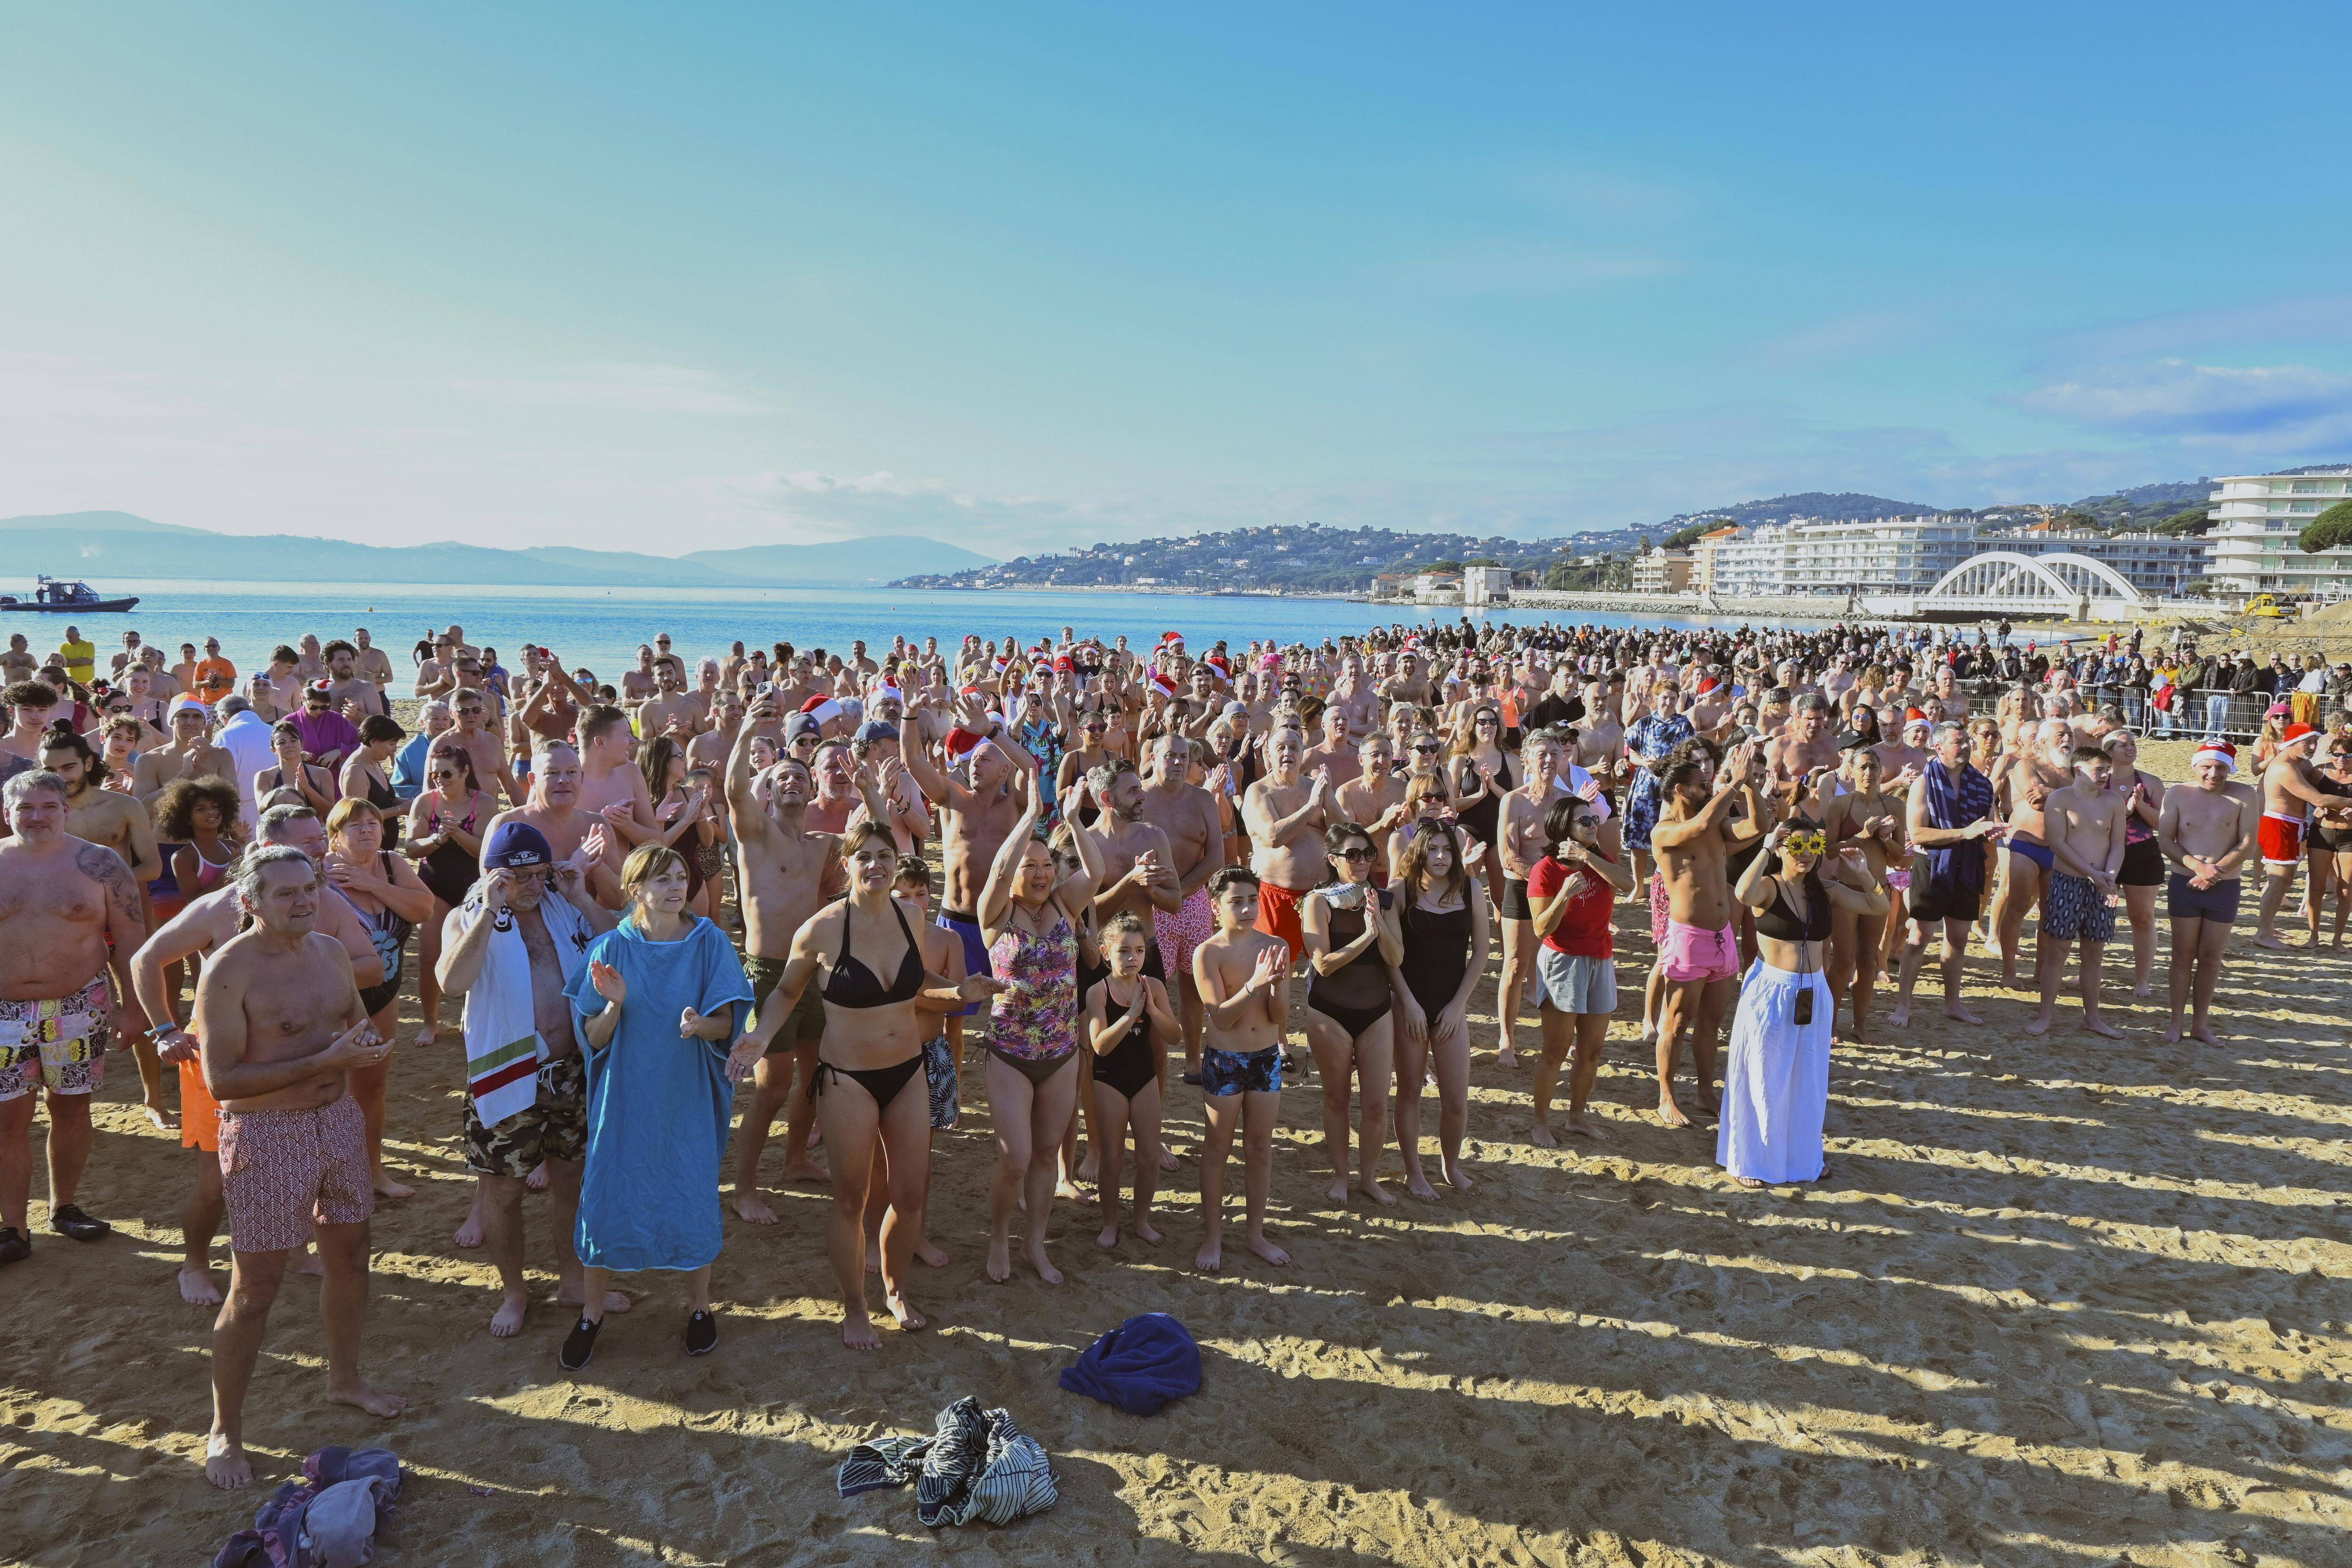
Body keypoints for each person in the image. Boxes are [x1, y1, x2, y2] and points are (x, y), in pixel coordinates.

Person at [737, 822, 1001, 1348]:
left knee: (909, 1195)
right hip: (848, 1080)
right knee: (851, 1199)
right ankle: (854, 1306)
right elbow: (786, 993)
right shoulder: (821, 930)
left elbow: (915, 980)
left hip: (906, 1073)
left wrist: (956, 991)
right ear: (847, 864)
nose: (876, 865)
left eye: (886, 855)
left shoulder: (911, 915)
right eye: (865, 857)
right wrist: (760, 1037)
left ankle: (895, 1288)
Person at [192, 845, 405, 1488]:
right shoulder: (229, 970)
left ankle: (345, 1379)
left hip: (338, 1121)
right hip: (267, 1131)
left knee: (352, 1254)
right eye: (285, 892)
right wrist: (322, 1061)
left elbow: (355, 1025)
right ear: (250, 902)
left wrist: (362, 1046)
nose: (304, 899)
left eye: (308, 887)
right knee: (255, 1287)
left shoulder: (331, 953)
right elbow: (222, 1078)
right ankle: (224, 1429)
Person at [556, 844, 752, 1369]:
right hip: (625, 1095)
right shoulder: (610, 949)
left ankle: (698, 1307)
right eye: (661, 879)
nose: (675, 887)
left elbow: (732, 1023)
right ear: (635, 889)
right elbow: (594, 1040)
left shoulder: (710, 942)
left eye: (681, 876)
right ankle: (591, 1313)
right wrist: (616, 1003)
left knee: (690, 1190)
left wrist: (699, 1025)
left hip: (687, 1090)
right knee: (607, 1196)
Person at [434, 820, 623, 1337]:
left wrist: (581, 894)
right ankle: (515, 1291)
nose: (534, 886)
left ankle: (570, 1279)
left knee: (572, 1182)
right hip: (504, 1072)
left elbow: (619, 949)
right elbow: (451, 981)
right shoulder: (467, 915)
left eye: (541, 875)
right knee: (503, 1193)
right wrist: (491, 911)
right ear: (497, 877)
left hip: (570, 1070)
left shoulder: (563, 907)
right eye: (522, 878)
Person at [0, 770, 148, 1264]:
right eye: (24, 808)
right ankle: (13, 1226)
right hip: (3, 1010)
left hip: (80, 1005)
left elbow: (130, 939)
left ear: (66, 810)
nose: (36, 817)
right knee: (8, 1119)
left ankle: (65, 1206)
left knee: (71, 1107)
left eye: (47, 806)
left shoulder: (100, 864)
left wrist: (135, 1005)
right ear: (8, 813)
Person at [976, 763, 1101, 1283]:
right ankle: (999, 1240)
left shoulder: (1064, 906)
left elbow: (1094, 874)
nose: (1042, 873)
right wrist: (1030, 814)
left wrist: (1072, 820)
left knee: (1047, 1154)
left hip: (1060, 1051)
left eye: (1048, 864)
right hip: (1009, 1050)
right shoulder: (996, 914)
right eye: (1032, 866)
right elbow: (1000, 872)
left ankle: (1035, 1245)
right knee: (1015, 1157)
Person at [1720, 823, 1887, 1188]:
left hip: (1815, 991)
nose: (1806, 853)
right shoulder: (1769, 887)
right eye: (1796, 845)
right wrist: (1765, 848)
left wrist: (1864, 873)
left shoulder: (1826, 890)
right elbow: (1744, 893)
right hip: (1771, 990)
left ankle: (1802, 1159)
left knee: (1807, 1078)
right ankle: (1751, 1159)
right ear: (1781, 848)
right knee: (1764, 1075)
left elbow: (1879, 905)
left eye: (1812, 845)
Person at [726, 700, 842, 1220]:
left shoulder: (822, 845)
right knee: (771, 1089)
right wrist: (748, 729)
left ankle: (796, 1159)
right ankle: (744, 1188)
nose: (792, 781)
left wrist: (865, 784)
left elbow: (879, 846)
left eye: (800, 775)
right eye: (782, 777)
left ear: (811, 787)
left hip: (813, 971)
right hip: (768, 975)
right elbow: (733, 791)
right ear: (768, 791)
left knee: (816, 1076)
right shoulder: (754, 833)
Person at [323, 800, 434, 1193]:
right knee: (328, 1092)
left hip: (384, 994)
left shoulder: (391, 864)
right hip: (333, 1000)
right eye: (356, 825)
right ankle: (330, 1178)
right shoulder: (322, 875)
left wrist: (373, 885)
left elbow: (424, 908)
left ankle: (373, 1173)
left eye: (374, 822)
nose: (368, 829)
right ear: (335, 836)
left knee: (372, 1089)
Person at [1649, 744, 1760, 1127]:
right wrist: (1732, 784)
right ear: (1681, 791)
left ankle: (1704, 1091)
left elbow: (1756, 827)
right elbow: (1694, 828)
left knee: (1712, 1021)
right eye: (1702, 784)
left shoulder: (1715, 825)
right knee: (1677, 1021)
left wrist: (1749, 787)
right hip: (1689, 938)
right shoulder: (1665, 832)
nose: (1710, 787)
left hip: (1721, 936)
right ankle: (1666, 1096)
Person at [1192, 866, 1292, 1272]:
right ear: (1217, 907)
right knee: (1218, 1148)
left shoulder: (1276, 945)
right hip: (1226, 1060)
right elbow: (1220, 1019)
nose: (1248, 908)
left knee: (1261, 1148)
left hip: (1266, 1058)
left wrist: (1276, 985)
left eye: (1253, 899)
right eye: (1237, 901)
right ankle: (1213, 1236)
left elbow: (1280, 1015)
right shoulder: (1208, 952)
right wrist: (1254, 983)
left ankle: (1255, 1234)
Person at [1299, 820, 1404, 1205]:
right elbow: (1323, 964)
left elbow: (1396, 958)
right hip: (1330, 1011)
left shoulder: (1383, 899)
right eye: (1353, 854)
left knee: (1377, 1104)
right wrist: (1366, 937)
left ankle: (1370, 1178)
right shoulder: (1318, 901)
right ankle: (1341, 1176)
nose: (1362, 861)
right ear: (1334, 859)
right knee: (1337, 1099)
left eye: (1368, 853)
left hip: (1376, 1010)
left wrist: (1377, 922)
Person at [1390, 822, 1490, 1192]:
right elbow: (1390, 958)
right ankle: (1413, 1171)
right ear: (1419, 852)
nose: (1441, 857)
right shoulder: (1400, 891)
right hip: (1409, 1005)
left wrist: (1458, 1006)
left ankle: (1450, 1166)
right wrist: (1409, 1004)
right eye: (1433, 850)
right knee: (1410, 1090)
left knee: (1456, 1099)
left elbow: (1481, 951)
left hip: (1451, 1007)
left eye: (1448, 849)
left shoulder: (1471, 888)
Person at [1525, 794, 1630, 1146]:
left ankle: (1577, 1117)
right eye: (1583, 821)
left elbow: (1629, 885)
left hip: (1601, 958)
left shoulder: (1599, 860)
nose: (1592, 824)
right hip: (1563, 961)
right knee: (1556, 1050)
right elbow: (1542, 928)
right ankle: (1541, 1122)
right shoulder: (1546, 870)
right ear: (1562, 828)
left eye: (1593, 820)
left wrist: (1589, 858)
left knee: (1593, 1049)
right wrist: (1564, 895)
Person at [1892, 723, 2002, 1030]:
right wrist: (1964, 833)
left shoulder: (1982, 784)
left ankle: (1953, 1004)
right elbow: (1917, 834)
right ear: (1939, 747)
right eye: (1958, 742)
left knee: (1958, 939)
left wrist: (1991, 831)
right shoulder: (1924, 783)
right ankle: (1904, 1004)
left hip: (1967, 864)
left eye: (1967, 740)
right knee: (1919, 936)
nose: (1966, 746)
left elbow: (1986, 824)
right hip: (1933, 864)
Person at [1082, 910, 1178, 1249]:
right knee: (1112, 1157)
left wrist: (1151, 1010)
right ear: (1106, 952)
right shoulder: (1098, 991)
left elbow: (1176, 1035)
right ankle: (1110, 1223)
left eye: (1138, 950)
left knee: (1149, 1156)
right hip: (1109, 1078)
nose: (1132, 957)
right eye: (1123, 950)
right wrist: (1130, 1015)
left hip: (1144, 1077)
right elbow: (1100, 1046)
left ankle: (1140, 1221)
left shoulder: (1152, 986)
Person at [1136, 728, 1227, 1076]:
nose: (1177, 762)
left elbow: (1216, 857)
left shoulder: (1203, 799)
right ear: (1154, 759)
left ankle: (1192, 1061)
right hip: (1148, 901)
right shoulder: (1139, 797)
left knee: (1194, 985)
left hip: (1193, 902)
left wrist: (1183, 892)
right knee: (1146, 985)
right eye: (1170, 755)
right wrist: (1159, 894)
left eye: (1183, 757)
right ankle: (1146, 1058)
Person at [2157, 741, 2259, 1046]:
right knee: (2182, 955)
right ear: (2195, 766)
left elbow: (2247, 843)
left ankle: (2199, 1024)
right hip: (2185, 883)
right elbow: (2165, 839)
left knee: (2212, 957)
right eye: (2207, 766)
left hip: (2224, 886)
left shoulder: (2244, 794)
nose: (2213, 773)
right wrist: (2197, 867)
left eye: (2221, 767)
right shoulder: (2177, 793)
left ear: (2230, 768)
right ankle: (2176, 1021)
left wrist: (2217, 872)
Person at [2026, 747, 2127, 1039]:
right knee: (2057, 952)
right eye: (2099, 770)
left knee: (2094, 954)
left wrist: (2109, 875)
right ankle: (2045, 1015)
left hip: (2102, 884)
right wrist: (2092, 874)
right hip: (2068, 882)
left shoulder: (2114, 802)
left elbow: (2118, 843)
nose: (2106, 775)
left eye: (2108, 770)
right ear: (2079, 770)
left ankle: (2092, 1017)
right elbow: (2058, 844)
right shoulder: (2059, 799)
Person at [406, 741, 495, 1047]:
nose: (440, 780)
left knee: (476, 954)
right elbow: (411, 847)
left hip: (472, 884)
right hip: (435, 883)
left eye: (447, 774)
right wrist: (437, 837)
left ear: (465, 772)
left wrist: (456, 833)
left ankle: (470, 1017)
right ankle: (431, 1022)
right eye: (434, 775)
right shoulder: (425, 802)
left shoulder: (483, 804)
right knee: (429, 954)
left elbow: (484, 850)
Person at [1492, 728, 1568, 1067]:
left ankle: (1559, 1037)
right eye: (1542, 754)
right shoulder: (1515, 800)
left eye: (1555, 753)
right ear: (1527, 760)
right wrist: (1547, 881)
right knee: (1516, 965)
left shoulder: (1566, 803)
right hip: (1523, 889)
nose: (1550, 760)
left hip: (1559, 891)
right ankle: (1507, 1037)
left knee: (1562, 966)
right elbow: (1509, 857)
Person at [2253, 724, 2331, 950]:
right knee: (2279, 880)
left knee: (2282, 881)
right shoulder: (2284, 767)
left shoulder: (2302, 763)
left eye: (2315, 742)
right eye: (2308, 743)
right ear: (2292, 744)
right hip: (2280, 824)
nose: (2313, 747)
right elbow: (2319, 799)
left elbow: (2322, 784)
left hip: (2293, 824)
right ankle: (2263, 933)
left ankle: (2266, 926)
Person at [2100, 730, 2166, 996]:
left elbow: (2164, 823)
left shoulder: (2150, 782)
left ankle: (2142, 980)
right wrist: (2120, 811)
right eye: (2123, 745)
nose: (2131, 749)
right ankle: (2090, 971)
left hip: (2142, 853)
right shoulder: (2097, 780)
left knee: (2143, 918)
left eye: (2134, 744)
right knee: (2097, 916)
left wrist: (2139, 806)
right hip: (2103, 854)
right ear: (2108, 751)